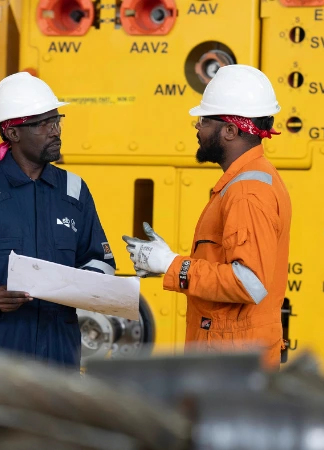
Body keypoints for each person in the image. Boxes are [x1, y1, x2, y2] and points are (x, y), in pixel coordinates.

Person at [0, 72, 116, 371]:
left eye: (57, 121)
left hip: (58, 352)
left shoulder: (74, 190)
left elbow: (100, 259)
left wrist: (80, 285)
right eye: (44, 124)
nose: (56, 131)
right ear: (12, 133)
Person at [122, 65, 292, 371]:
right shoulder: (249, 180)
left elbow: (250, 283)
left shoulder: (246, 192)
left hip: (232, 365)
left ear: (230, 130)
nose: (197, 127)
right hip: (233, 357)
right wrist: (166, 262)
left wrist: (172, 264)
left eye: (204, 120)